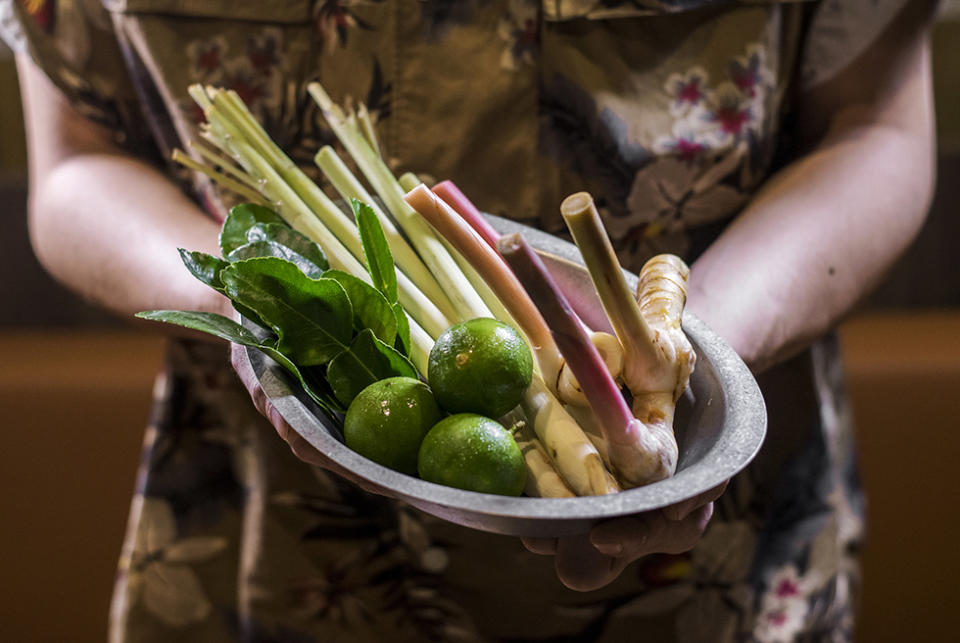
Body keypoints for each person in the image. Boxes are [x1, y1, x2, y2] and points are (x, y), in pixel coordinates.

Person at [2, 0, 936, 640]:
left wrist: (679, 356)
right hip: (264, 558)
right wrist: (261, 304)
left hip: (714, 568)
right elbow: (75, 161)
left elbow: (873, 127)